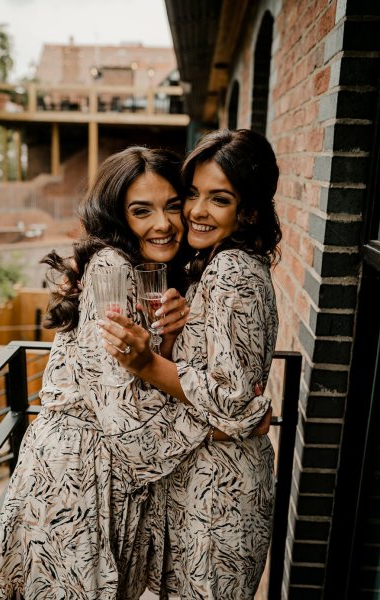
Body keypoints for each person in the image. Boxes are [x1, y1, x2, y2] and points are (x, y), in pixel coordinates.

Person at [0, 147, 205, 600]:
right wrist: (219, 423)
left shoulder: (151, 270)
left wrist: (172, 337)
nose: (163, 223)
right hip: (78, 481)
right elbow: (124, 418)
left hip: (103, 477)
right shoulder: (112, 268)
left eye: (173, 205)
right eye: (142, 210)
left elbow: (138, 375)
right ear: (117, 215)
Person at [98, 128, 282, 599]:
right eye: (193, 195)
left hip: (220, 493)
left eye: (219, 199)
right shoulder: (218, 264)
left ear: (251, 210)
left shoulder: (233, 270)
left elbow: (236, 401)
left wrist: (146, 365)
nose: (197, 211)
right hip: (205, 481)